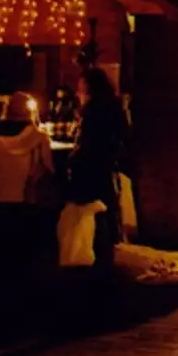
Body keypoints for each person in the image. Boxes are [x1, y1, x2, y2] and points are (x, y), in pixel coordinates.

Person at [0, 91, 55, 330]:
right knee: (25, 262)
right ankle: (24, 316)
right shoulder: (40, 139)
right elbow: (49, 171)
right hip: (27, 207)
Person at [68, 68, 128, 273]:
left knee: (93, 213)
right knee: (107, 211)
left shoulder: (92, 114)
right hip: (108, 168)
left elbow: (87, 145)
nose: (78, 94)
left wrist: (73, 159)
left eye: (82, 89)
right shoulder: (114, 109)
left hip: (92, 170)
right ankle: (110, 256)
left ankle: (97, 258)